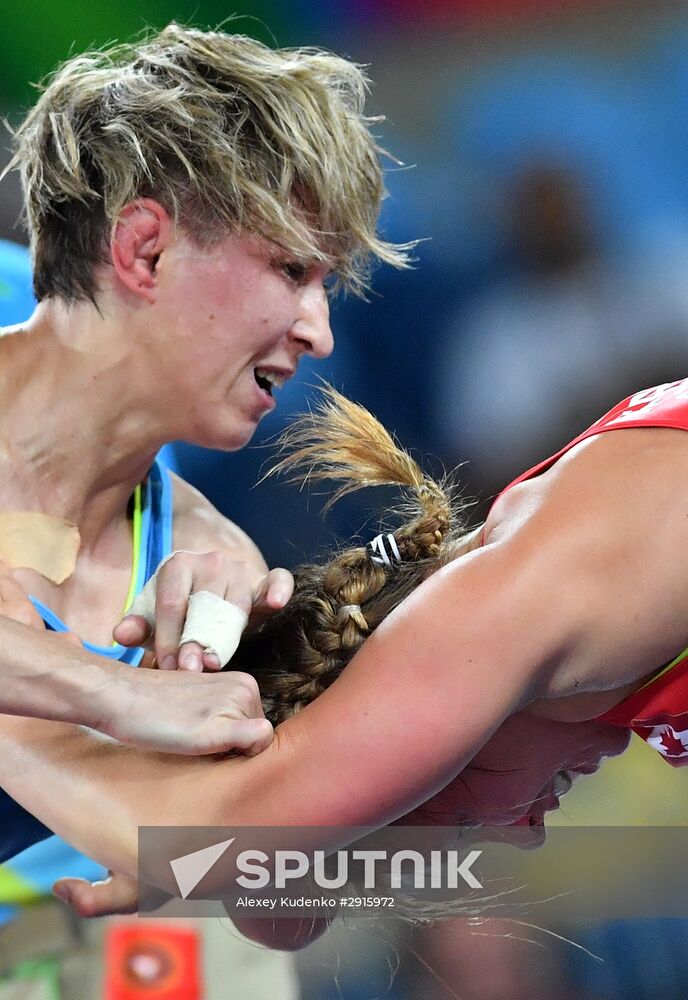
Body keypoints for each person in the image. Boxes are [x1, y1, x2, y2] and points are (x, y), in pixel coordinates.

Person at [6, 379, 682, 944]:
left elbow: (213, 854)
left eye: (467, 823)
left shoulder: (521, 599)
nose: (525, 837)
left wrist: (26, 706)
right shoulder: (565, 595)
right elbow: (285, 919)